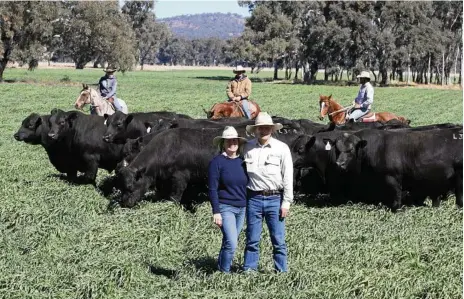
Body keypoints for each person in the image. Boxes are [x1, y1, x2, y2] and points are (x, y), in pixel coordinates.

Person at [242, 112, 293, 273]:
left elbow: (288, 176)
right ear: (256, 130)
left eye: (267, 127)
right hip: (253, 198)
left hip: (274, 198)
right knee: (252, 239)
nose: (263, 130)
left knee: (278, 239)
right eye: (260, 128)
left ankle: (281, 271)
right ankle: (249, 270)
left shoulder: (281, 148)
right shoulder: (247, 147)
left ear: (272, 129)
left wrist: (286, 202)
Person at [208, 126, 249, 273]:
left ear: (238, 142)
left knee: (229, 241)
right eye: (229, 141)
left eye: (235, 140)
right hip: (226, 208)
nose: (232, 143)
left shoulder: (244, 162)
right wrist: (216, 211)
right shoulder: (217, 162)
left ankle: (220, 267)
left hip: (242, 208)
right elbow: (212, 188)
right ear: (223, 143)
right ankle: (224, 273)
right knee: (232, 243)